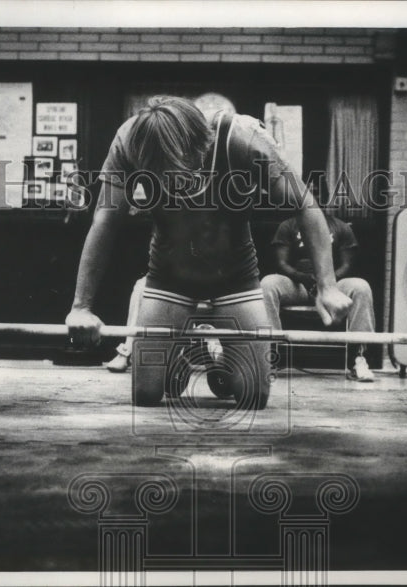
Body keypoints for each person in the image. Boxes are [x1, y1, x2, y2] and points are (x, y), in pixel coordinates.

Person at [66, 96, 352, 409]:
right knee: (146, 394)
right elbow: (105, 221)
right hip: (169, 275)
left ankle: (218, 358)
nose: (176, 185)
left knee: (252, 396)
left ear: (202, 145)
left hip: (235, 277)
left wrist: (326, 285)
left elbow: (305, 204)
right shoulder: (131, 141)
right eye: (163, 176)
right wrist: (81, 306)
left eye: (181, 172)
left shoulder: (244, 139)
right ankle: (185, 356)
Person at [260, 210, 377, 381]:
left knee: (361, 287)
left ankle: (358, 359)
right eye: (310, 191)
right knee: (268, 283)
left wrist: (326, 281)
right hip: (297, 285)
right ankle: (268, 357)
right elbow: (281, 263)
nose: (315, 196)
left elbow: (347, 265)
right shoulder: (288, 225)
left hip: (333, 285)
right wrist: (304, 278)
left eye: (319, 191)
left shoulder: (341, 227)